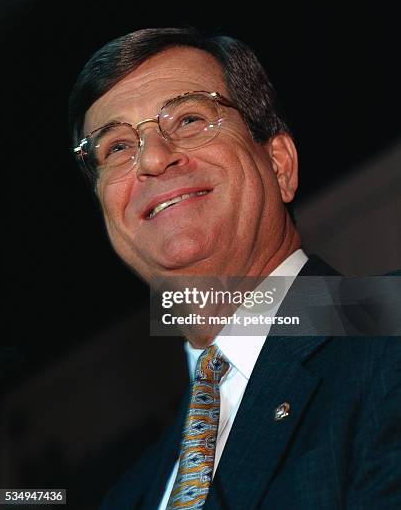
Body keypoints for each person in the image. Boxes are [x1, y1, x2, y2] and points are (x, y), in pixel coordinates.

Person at [69, 27, 401, 509]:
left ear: (279, 164)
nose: (153, 159)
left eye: (187, 118)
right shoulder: (126, 496)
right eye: (117, 147)